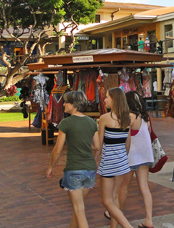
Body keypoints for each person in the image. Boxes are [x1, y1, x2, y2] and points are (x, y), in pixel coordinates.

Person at [46, 91, 100, 228]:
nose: (63, 104)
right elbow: (97, 145)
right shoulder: (91, 122)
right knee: (78, 209)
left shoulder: (66, 123)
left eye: (66, 102)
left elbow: (57, 149)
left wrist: (51, 166)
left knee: (79, 210)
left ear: (74, 104)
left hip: (74, 170)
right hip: (89, 170)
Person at [105, 91, 154, 228]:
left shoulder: (129, 117)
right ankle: (149, 220)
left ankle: (116, 212)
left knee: (123, 187)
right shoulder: (145, 118)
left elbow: (122, 134)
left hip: (131, 156)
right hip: (145, 155)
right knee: (144, 187)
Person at [97, 87, 133, 228]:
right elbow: (127, 144)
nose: (104, 99)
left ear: (114, 100)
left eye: (107, 97)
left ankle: (126, 225)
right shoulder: (126, 119)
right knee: (114, 197)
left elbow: (99, 145)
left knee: (106, 200)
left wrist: (94, 160)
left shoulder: (104, 118)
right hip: (122, 161)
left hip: (108, 162)